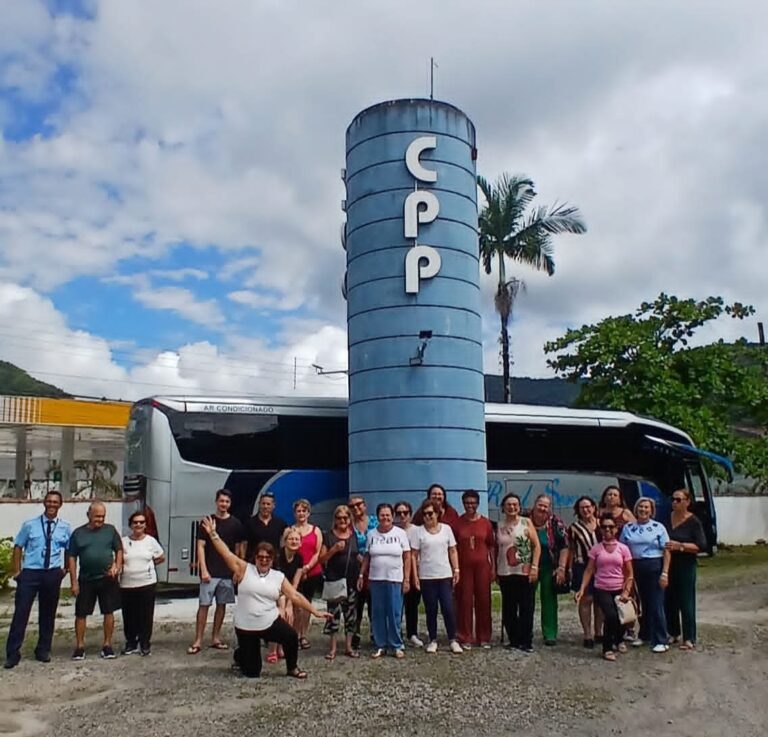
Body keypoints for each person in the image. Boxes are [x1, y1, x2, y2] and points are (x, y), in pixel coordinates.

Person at [199, 517, 332, 679]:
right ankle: (240, 654)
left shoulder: (278, 576)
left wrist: (316, 612)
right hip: (246, 626)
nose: (263, 560)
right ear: (255, 558)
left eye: (267, 558)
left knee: (290, 636)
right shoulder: (243, 569)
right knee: (252, 672)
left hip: (269, 621)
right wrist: (213, 534)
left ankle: (292, 667)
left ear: (272, 559)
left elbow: (295, 595)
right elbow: (225, 552)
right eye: (260, 557)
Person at [4, 491, 72, 669]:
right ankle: (12, 653)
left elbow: (69, 549)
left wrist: (64, 569)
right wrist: (17, 571)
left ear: (60, 505)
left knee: (48, 614)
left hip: (52, 574)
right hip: (30, 574)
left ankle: (43, 650)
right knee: (21, 613)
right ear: (44, 503)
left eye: (55, 502)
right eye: (49, 501)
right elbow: (18, 546)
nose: (52, 505)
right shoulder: (30, 525)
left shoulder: (65, 527)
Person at [187, 489, 246, 655]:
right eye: (221, 501)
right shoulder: (207, 522)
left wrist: (237, 571)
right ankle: (198, 639)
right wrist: (203, 569)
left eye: (227, 502)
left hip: (227, 573)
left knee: (222, 606)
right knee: (204, 606)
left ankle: (216, 638)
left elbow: (237, 550)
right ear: (216, 502)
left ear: (230, 504)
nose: (224, 504)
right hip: (210, 572)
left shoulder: (236, 524)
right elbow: (200, 547)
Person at [67, 501, 123, 660]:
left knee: (108, 611)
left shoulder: (110, 530)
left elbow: (119, 550)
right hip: (86, 579)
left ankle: (107, 645)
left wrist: (117, 566)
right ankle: (79, 646)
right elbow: (72, 558)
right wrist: (73, 582)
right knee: (81, 613)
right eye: (97, 516)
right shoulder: (78, 534)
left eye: (103, 516)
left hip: (107, 579)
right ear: (88, 515)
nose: (100, 519)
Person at [575, 513, 634, 662]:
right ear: (600, 529)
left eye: (611, 527)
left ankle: (619, 639)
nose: (607, 529)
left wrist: (627, 590)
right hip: (601, 587)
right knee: (611, 615)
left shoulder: (623, 548)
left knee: (622, 617)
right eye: (604, 527)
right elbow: (589, 570)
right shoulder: (596, 549)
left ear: (616, 529)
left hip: (619, 587)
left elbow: (629, 573)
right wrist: (582, 589)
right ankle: (607, 648)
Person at [358, 503, 411, 658]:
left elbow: (407, 557)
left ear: (392, 516)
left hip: (395, 579)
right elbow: (367, 557)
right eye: (382, 515)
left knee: (394, 612)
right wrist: (362, 575)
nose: (385, 518)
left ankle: (396, 644)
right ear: (378, 517)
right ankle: (380, 644)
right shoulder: (371, 534)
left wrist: (407, 579)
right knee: (378, 613)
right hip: (376, 579)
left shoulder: (400, 533)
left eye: (388, 515)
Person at [620, 497, 671, 653]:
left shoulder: (658, 527)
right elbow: (622, 548)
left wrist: (665, 572)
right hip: (635, 566)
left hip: (654, 565)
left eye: (646, 507)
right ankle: (645, 634)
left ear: (651, 510)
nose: (643, 510)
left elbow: (667, 550)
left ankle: (661, 639)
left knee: (656, 604)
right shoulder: (628, 527)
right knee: (642, 604)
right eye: (640, 507)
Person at [412, 500, 462, 654]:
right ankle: (432, 639)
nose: (428, 517)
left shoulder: (446, 529)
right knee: (431, 609)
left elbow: (453, 550)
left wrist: (457, 569)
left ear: (437, 513)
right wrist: (415, 576)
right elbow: (414, 555)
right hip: (427, 576)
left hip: (444, 575)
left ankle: (453, 639)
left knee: (448, 608)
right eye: (425, 514)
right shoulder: (418, 532)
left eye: (430, 513)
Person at [495, 493, 541, 653]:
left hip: (525, 571)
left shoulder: (526, 522)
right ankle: (513, 639)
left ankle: (526, 641)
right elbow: (497, 549)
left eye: (515, 504)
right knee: (509, 608)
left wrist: (534, 567)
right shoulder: (499, 525)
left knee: (526, 607)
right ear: (503, 507)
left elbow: (536, 546)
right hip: (505, 571)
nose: (512, 507)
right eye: (508, 504)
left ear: (519, 506)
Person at [664, 488, 707, 650]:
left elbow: (701, 545)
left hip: (685, 564)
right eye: (673, 499)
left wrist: (680, 546)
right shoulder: (667, 518)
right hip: (669, 563)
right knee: (669, 600)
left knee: (686, 601)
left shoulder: (694, 521)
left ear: (687, 502)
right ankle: (673, 632)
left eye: (678, 500)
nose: (675, 502)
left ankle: (689, 637)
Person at [453, 489, 495, 649]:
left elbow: (491, 546)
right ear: (463, 504)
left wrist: (493, 568)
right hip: (464, 566)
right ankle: (465, 636)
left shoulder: (485, 523)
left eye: (473, 503)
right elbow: (453, 547)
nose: (470, 505)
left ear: (478, 504)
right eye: (467, 503)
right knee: (464, 601)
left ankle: (484, 636)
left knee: (484, 600)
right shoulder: (458, 523)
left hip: (482, 566)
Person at [119, 510, 165, 656]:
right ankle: (131, 642)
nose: (138, 525)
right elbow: (118, 559)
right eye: (135, 522)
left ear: (145, 525)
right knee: (129, 615)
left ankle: (145, 643)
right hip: (127, 584)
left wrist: (148, 565)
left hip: (146, 583)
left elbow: (161, 557)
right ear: (131, 525)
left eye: (141, 522)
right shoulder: (123, 541)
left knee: (145, 614)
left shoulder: (151, 541)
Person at [319, 504, 360, 660]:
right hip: (334, 580)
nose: (342, 520)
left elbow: (357, 554)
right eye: (339, 518)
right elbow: (321, 559)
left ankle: (348, 647)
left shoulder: (353, 535)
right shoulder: (328, 536)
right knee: (333, 615)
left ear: (349, 519)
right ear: (335, 520)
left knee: (351, 616)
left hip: (352, 581)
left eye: (345, 517)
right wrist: (334, 549)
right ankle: (333, 648)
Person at [529, 494, 569, 646]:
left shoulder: (555, 522)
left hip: (548, 567)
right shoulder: (525, 519)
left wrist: (561, 568)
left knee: (549, 600)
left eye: (546, 506)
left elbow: (564, 545)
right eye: (540, 504)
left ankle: (550, 633)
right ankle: (526, 631)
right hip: (528, 566)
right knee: (527, 600)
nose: (543, 508)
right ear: (534, 504)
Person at [567, 496, 602, 648]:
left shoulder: (603, 524)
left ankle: (599, 631)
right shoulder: (574, 527)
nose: (586, 510)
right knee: (586, 599)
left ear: (594, 507)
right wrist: (568, 568)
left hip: (603, 566)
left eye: (588, 507)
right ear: (578, 510)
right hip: (582, 565)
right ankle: (587, 633)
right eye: (582, 508)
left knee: (601, 601)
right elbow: (570, 549)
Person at [266, 526, 304, 664]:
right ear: (285, 540)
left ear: (300, 542)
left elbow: (295, 582)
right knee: (278, 614)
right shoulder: (277, 556)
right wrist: (283, 603)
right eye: (291, 539)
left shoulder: (299, 558)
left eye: (296, 539)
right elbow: (275, 580)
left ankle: (282, 647)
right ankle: (272, 649)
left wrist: (289, 602)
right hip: (274, 589)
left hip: (289, 590)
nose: (293, 541)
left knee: (291, 613)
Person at [291, 499, 323, 649]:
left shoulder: (316, 530)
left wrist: (307, 567)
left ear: (308, 513)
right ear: (294, 513)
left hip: (312, 572)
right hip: (294, 573)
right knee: (295, 605)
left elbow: (318, 552)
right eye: (299, 511)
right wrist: (299, 569)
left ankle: (304, 635)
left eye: (304, 511)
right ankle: (294, 635)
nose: (301, 513)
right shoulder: (290, 530)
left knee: (306, 605)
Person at [349, 494, 377, 651]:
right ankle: (355, 635)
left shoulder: (375, 521)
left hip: (374, 568)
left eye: (358, 504)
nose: (356, 508)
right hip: (355, 568)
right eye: (352, 506)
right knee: (356, 604)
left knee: (374, 603)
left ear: (364, 505)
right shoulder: (348, 524)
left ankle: (375, 633)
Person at [394, 500, 423, 647]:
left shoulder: (417, 530)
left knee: (412, 605)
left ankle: (412, 633)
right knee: (396, 605)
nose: (402, 516)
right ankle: (396, 633)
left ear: (410, 515)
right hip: (395, 572)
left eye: (405, 513)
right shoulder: (392, 531)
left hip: (414, 573)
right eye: (399, 513)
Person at [246, 491, 287, 561]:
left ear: (273, 505)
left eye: (268, 504)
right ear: (259, 504)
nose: (265, 506)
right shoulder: (249, 523)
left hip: (274, 563)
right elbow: (244, 545)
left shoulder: (280, 523)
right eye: (263, 504)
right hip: (253, 563)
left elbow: (283, 545)